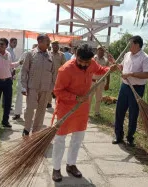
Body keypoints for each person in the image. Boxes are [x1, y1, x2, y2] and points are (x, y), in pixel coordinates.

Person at [51, 44, 117, 182]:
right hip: (66, 108)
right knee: (60, 139)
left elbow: (99, 69)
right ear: (76, 55)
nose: (85, 65)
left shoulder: (91, 63)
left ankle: (71, 164)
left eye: (87, 62)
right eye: (82, 61)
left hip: (82, 108)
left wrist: (109, 69)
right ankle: (56, 168)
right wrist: (75, 98)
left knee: (78, 137)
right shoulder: (65, 70)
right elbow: (58, 91)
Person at [112, 35, 148, 147]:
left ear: (137, 45)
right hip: (124, 87)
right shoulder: (127, 55)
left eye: (130, 44)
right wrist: (116, 65)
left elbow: (147, 74)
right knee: (119, 111)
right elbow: (122, 67)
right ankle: (118, 135)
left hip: (137, 88)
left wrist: (130, 74)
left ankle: (130, 138)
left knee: (133, 113)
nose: (129, 46)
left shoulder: (145, 58)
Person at [21, 34, 56, 136]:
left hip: (46, 88)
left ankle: (36, 131)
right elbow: (24, 71)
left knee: (41, 110)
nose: (49, 43)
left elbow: (54, 73)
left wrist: (52, 88)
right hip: (32, 87)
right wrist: (24, 86)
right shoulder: (30, 54)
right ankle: (26, 129)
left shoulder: (50, 56)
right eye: (47, 41)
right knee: (30, 109)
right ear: (40, 42)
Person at [0, 38, 22, 128]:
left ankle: (5, 121)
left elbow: (10, 65)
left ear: (6, 46)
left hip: (7, 81)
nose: (0, 45)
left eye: (2, 44)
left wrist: (19, 63)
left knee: (7, 103)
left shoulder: (8, 54)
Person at [13, 44, 38, 120]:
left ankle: (29, 114)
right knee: (19, 96)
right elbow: (19, 64)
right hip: (23, 77)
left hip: (33, 79)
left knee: (31, 97)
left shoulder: (40, 56)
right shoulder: (26, 53)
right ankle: (17, 113)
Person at [90, 45, 110, 117]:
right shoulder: (92, 59)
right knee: (89, 97)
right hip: (92, 81)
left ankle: (97, 113)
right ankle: (86, 112)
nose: (101, 51)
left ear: (104, 51)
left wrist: (107, 83)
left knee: (98, 98)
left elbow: (108, 72)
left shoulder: (106, 60)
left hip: (101, 81)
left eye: (102, 50)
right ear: (97, 50)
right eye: (99, 50)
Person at [46, 41, 66, 110]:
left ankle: (57, 103)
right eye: (54, 45)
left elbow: (64, 65)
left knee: (57, 90)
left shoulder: (61, 55)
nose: (55, 47)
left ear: (58, 46)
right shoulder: (48, 53)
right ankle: (48, 103)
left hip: (58, 76)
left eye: (56, 46)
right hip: (49, 75)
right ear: (52, 46)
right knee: (49, 89)